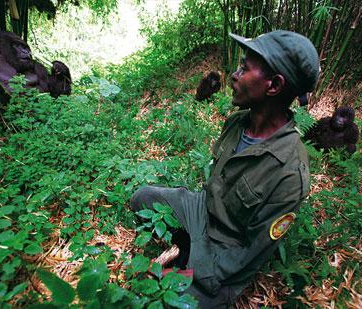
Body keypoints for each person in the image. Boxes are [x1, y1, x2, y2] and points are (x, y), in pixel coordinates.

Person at [130, 30, 319, 308]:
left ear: (274, 85)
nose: (234, 74)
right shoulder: (237, 121)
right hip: (202, 210)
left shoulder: (290, 172)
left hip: (226, 250)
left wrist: (192, 274)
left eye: (245, 68)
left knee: (167, 301)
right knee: (141, 198)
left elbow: (251, 253)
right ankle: (186, 246)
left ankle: (189, 259)